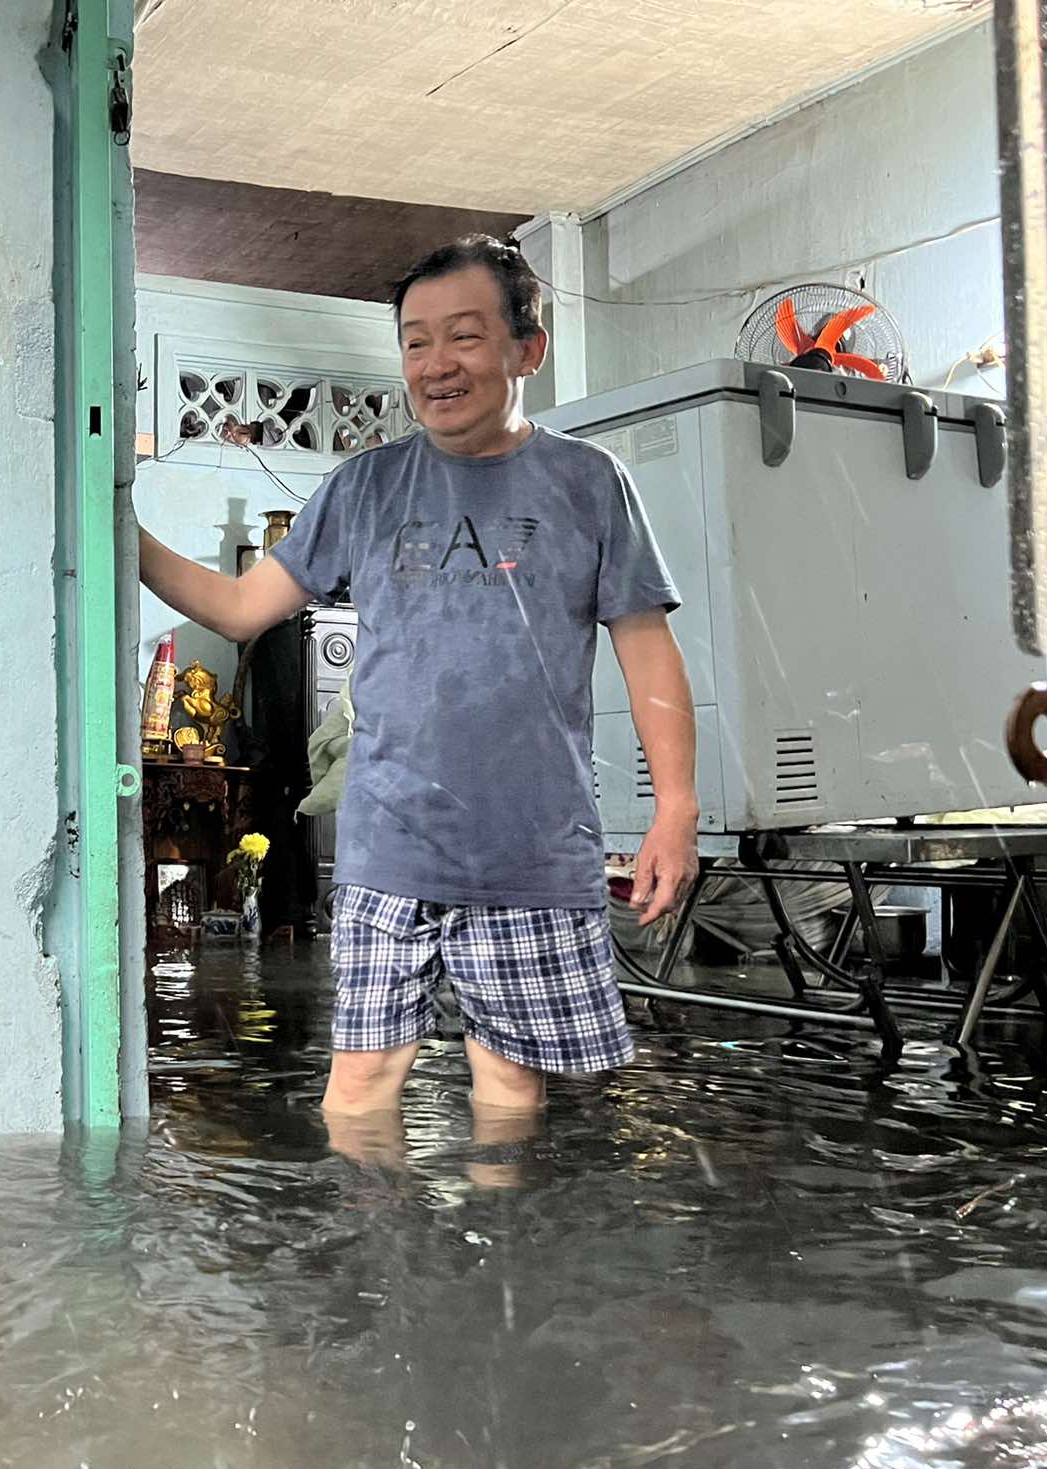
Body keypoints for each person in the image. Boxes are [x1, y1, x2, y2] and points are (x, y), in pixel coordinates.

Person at [137, 235, 698, 1124]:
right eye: (415, 341)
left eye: (466, 336)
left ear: (528, 349)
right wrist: (122, 529)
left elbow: (646, 648)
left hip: (533, 850)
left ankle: (495, 1259)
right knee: (357, 1090)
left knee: (510, 1084)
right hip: (389, 846)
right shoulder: (365, 487)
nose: (436, 364)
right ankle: (380, 1259)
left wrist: (675, 808)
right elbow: (244, 608)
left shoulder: (589, 484)